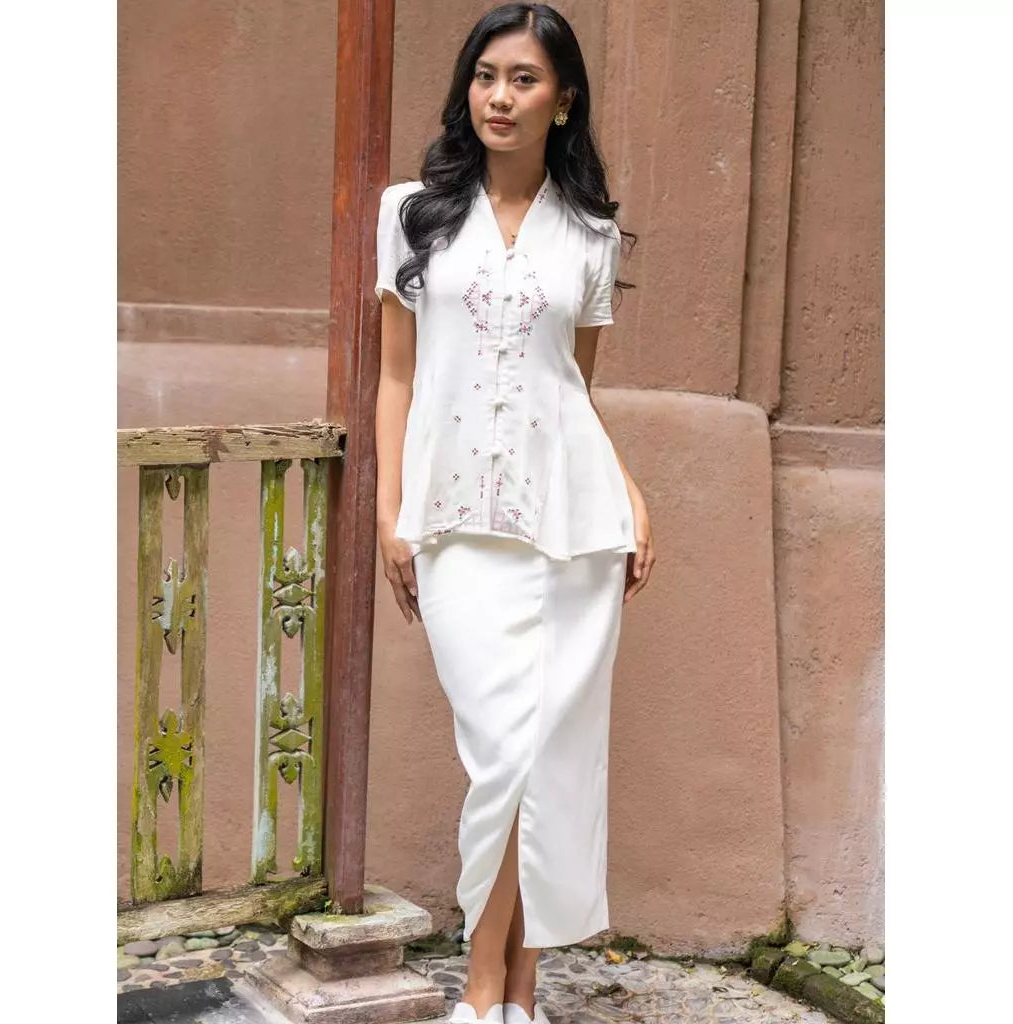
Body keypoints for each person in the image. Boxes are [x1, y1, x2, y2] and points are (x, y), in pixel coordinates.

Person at [374, 5, 655, 1023]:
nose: (499, 96)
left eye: (524, 79)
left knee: (545, 757)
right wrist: (389, 515)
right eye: (486, 76)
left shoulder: (588, 235)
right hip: (448, 522)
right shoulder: (411, 213)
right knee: (499, 749)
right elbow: (395, 378)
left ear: (562, 98)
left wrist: (625, 487)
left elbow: (572, 390)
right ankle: (494, 978)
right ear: (467, 89)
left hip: (568, 526)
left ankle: (503, 988)